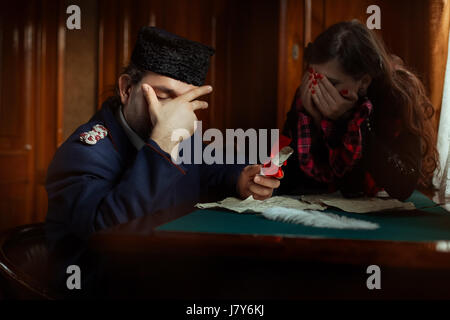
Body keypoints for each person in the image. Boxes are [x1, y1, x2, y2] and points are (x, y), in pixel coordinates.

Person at [45, 27, 280, 242]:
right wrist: (163, 143)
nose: (174, 113)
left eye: (185, 101)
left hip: (167, 270)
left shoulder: (182, 138)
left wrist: (241, 178)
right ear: (127, 89)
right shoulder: (85, 151)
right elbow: (107, 233)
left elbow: (210, 167)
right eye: (164, 97)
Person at [279, 20, 438, 201]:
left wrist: (348, 121)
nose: (317, 90)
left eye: (331, 83)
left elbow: (403, 185)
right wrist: (314, 122)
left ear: (363, 82)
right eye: (315, 77)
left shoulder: (396, 96)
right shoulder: (305, 97)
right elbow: (288, 180)